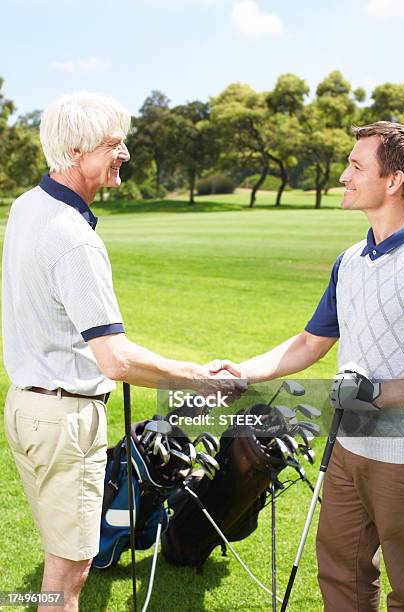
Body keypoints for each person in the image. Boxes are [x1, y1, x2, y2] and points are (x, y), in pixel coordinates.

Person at [2, 92, 242, 612]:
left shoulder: (27, 206)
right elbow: (116, 360)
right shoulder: (74, 240)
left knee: (58, 558)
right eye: (113, 144)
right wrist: (199, 378)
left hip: (28, 407)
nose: (125, 153)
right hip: (63, 419)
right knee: (70, 573)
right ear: (74, 151)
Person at [212, 122, 404, 611]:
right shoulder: (350, 261)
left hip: (402, 459)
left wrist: (378, 394)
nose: (343, 176)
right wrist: (242, 373)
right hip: (348, 449)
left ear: (394, 180)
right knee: (340, 574)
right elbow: (309, 342)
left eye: (356, 166)